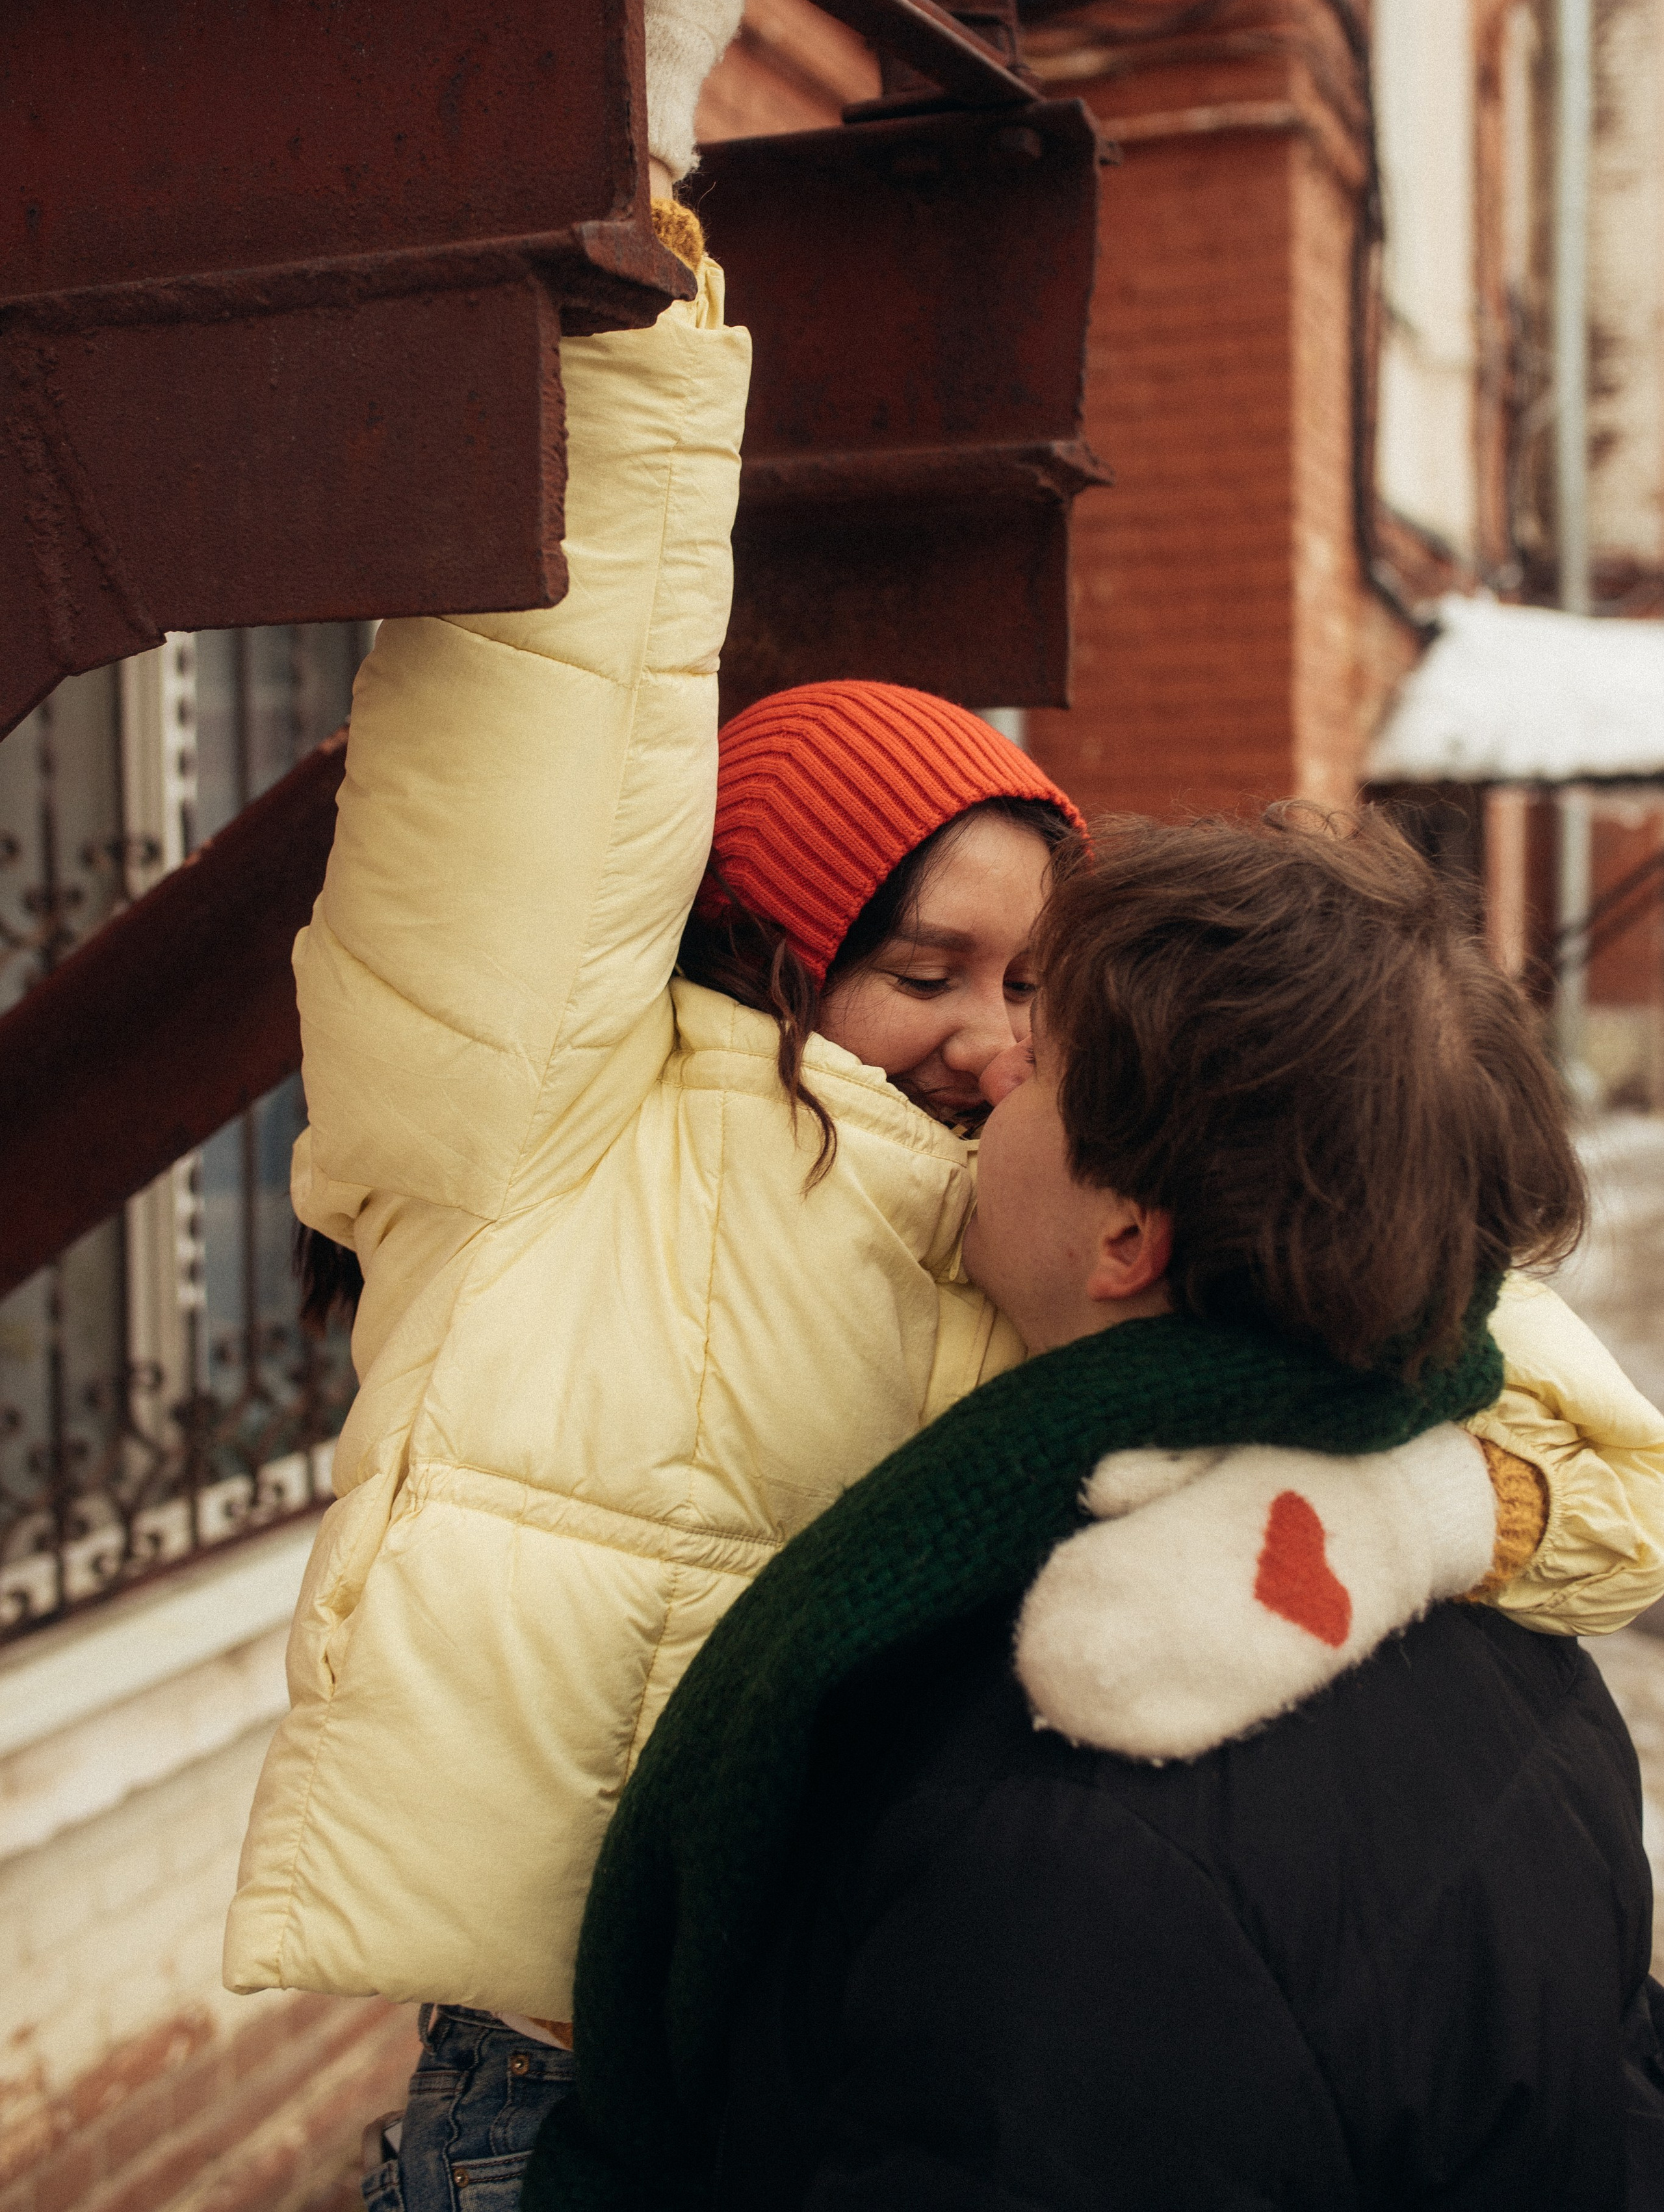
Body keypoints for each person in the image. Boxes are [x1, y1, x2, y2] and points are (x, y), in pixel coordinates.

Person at [222, 0, 1664, 2206]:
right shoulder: (564, 1126)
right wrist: (627, 167)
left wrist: (1409, 1530)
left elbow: (1504, 1385)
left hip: (911, 2034)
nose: (995, 1042)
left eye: (1040, 991)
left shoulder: (1036, 1217)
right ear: (760, 964)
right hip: (572, 2081)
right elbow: (546, 712)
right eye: (925, 971)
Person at [527, 810, 1664, 2212]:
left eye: (1044, 1062)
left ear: (1126, 1235)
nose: (994, 1062)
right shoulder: (1512, 1649)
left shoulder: (1060, 1829)